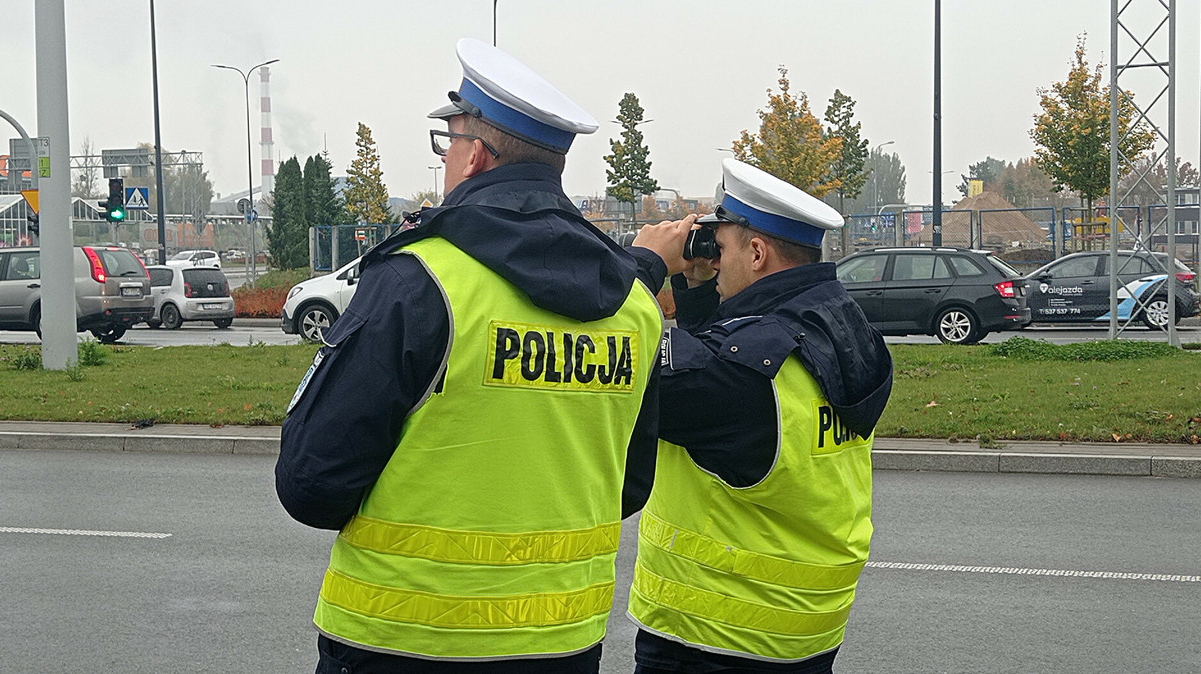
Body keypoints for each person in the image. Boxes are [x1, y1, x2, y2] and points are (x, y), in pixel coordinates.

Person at [276, 38, 663, 674]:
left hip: (400, 645)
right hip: (562, 647)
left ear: (476, 157)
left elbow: (310, 483)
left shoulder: (419, 278)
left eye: (448, 140)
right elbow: (630, 486)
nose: (447, 157)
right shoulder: (634, 305)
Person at [624, 158, 894, 673]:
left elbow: (619, 367)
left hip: (714, 635)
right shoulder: (844, 330)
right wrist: (702, 290)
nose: (714, 261)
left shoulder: (743, 374)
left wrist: (644, 265)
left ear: (756, 252)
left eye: (720, 250)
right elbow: (725, 368)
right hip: (805, 630)